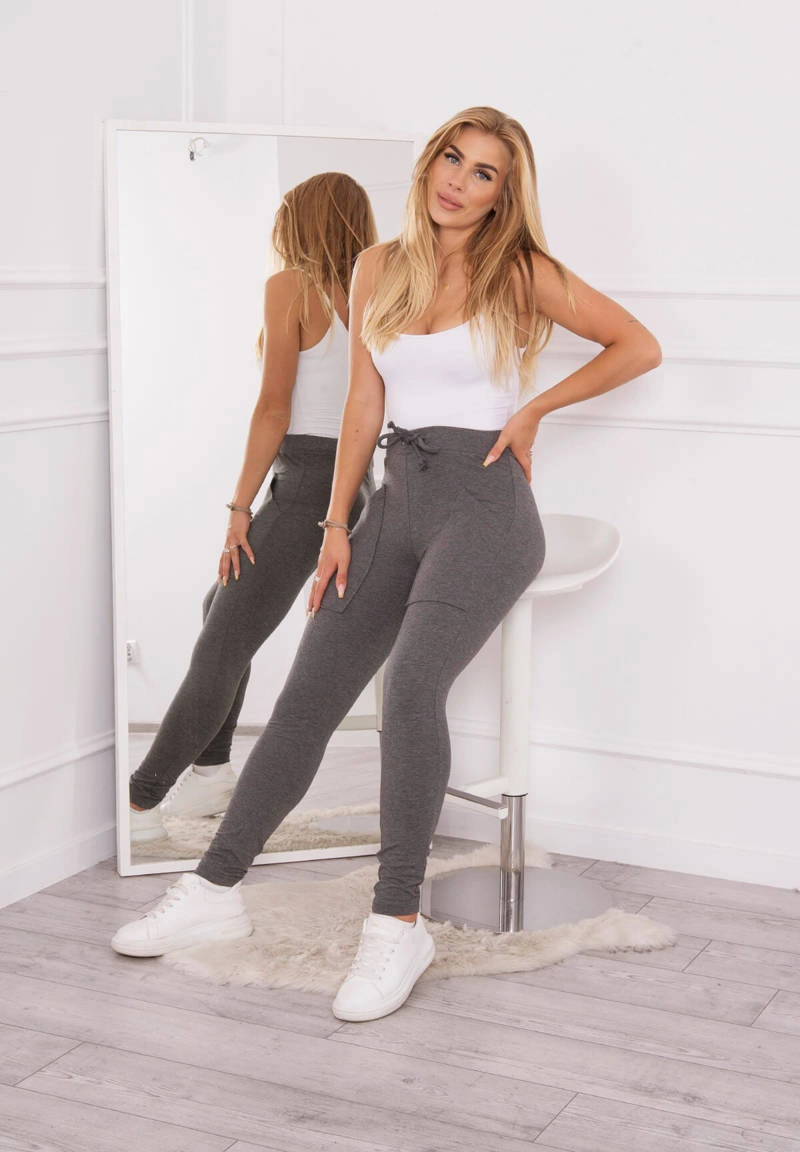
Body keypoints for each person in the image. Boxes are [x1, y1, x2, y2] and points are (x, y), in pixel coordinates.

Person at [112, 107, 661, 1021]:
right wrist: (337, 521)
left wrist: (533, 412)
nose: (459, 180)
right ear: (430, 162)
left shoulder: (519, 269)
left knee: (409, 689)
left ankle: (396, 922)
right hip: (392, 506)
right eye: (452, 157)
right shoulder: (377, 266)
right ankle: (212, 891)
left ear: (502, 195)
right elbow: (364, 401)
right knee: (306, 698)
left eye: (484, 172)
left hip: (487, 512)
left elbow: (638, 344)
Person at [127, 172, 378, 841]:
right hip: (357, 480)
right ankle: (211, 773)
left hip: (308, 482)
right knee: (221, 607)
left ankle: (141, 801)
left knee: (221, 642)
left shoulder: (292, 286)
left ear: (302, 223)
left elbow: (274, 407)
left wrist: (239, 506)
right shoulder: (379, 292)